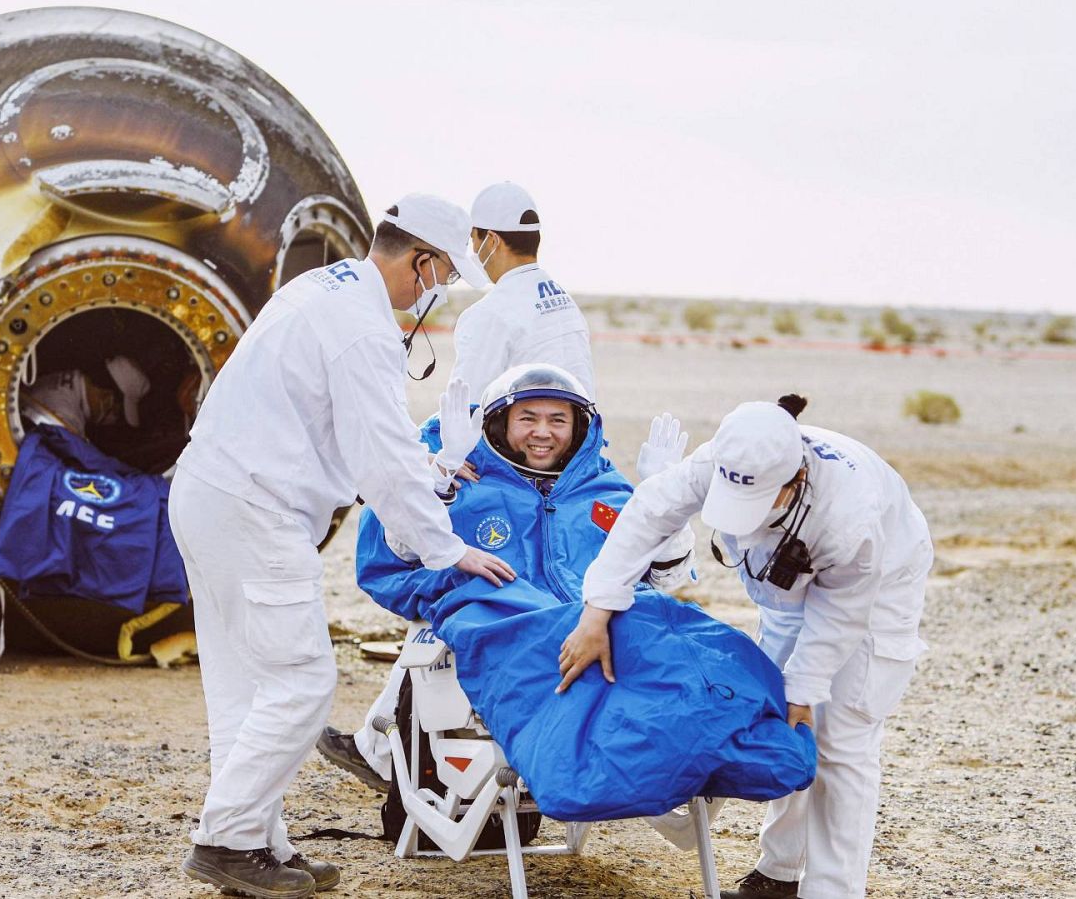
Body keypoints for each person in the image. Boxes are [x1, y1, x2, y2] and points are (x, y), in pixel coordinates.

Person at [167, 194, 516, 898]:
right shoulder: (362, 329)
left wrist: (432, 470)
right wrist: (446, 549)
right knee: (302, 679)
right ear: (419, 260)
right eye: (441, 275)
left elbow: (348, 434)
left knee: (249, 684)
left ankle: (256, 845)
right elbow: (380, 457)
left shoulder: (320, 289)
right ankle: (225, 840)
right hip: (256, 509)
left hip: (211, 493)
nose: (438, 292)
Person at [561, 395, 933, 899]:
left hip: (877, 589)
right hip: (789, 590)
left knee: (841, 737)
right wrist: (597, 609)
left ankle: (833, 891)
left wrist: (806, 685)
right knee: (781, 715)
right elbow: (649, 513)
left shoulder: (850, 515)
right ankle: (778, 875)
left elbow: (842, 614)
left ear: (794, 481)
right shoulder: (728, 454)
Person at [316, 364, 695, 791]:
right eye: (527, 419)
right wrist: (440, 474)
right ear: (501, 422)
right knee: (444, 622)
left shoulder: (604, 491)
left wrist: (666, 502)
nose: (543, 433)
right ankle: (386, 752)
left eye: (558, 420)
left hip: (595, 641)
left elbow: (665, 578)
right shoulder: (469, 483)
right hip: (509, 641)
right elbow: (405, 549)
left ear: (578, 427)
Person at [449, 182, 596, 400]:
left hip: (533, 431)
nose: (474, 250)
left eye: (473, 239)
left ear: (491, 240)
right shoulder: (564, 301)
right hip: (578, 429)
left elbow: (464, 407)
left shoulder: (488, 313)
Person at [19, 355, 149, 439]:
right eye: (117, 410)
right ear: (106, 396)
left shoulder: (64, 381)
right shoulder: (69, 421)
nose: (113, 418)